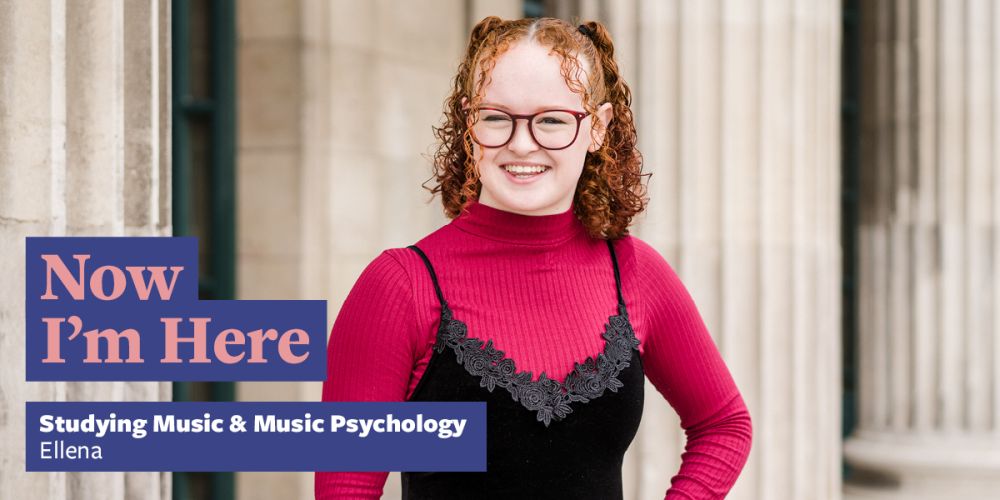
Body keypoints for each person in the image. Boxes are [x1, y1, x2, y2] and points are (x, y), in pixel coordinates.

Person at [315, 16, 752, 499]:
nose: (521, 144)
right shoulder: (399, 286)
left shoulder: (635, 272)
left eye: (552, 120)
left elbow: (725, 425)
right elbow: (346, 486)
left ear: (598, 127)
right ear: (468, 123)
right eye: (497, 117)